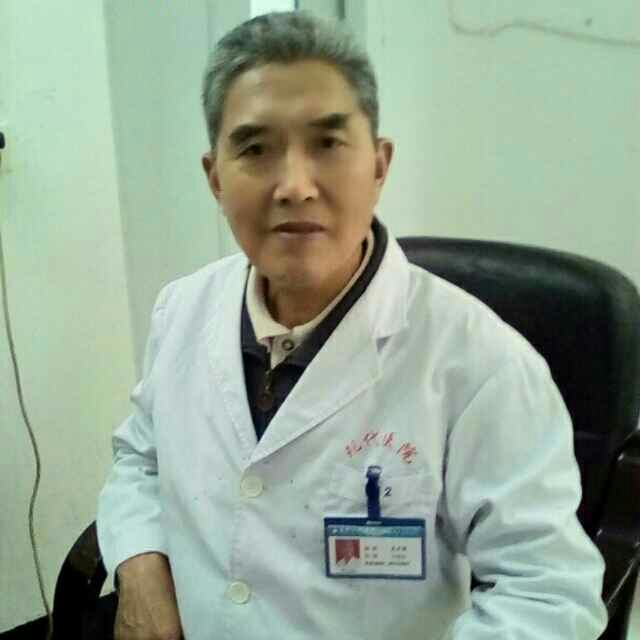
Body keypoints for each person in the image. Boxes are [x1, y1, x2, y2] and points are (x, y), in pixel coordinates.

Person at [97, 10, 608, 640]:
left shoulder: (480, 363)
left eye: (328, 144)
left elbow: (547, 593)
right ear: (215, 178)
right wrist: (139, 564)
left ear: (379, 165)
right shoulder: (181, 310)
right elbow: (140, 457)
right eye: (254, 149)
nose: (294, 186)